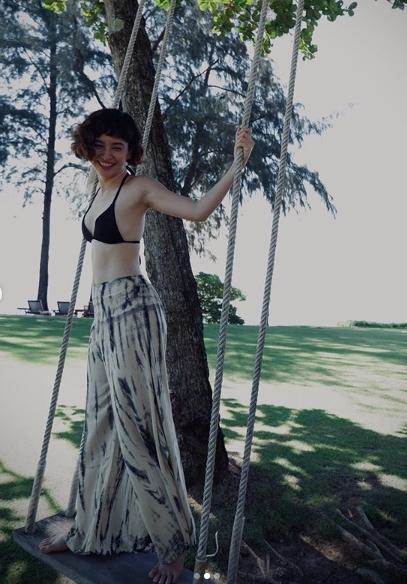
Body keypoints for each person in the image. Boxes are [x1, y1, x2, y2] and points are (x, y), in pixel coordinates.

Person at [38, 108, 254, 584]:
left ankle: (172, 546)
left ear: (130, 152)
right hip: (103, 314)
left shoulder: (138, 189)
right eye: (100, 146)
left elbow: (198, 210)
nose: (108, 155)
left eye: (117, 147)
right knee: (98, 427)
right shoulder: (98, 190)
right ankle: (89, 531)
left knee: (141, 428)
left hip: (134, 312)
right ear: (87, 147)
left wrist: (236, 164)